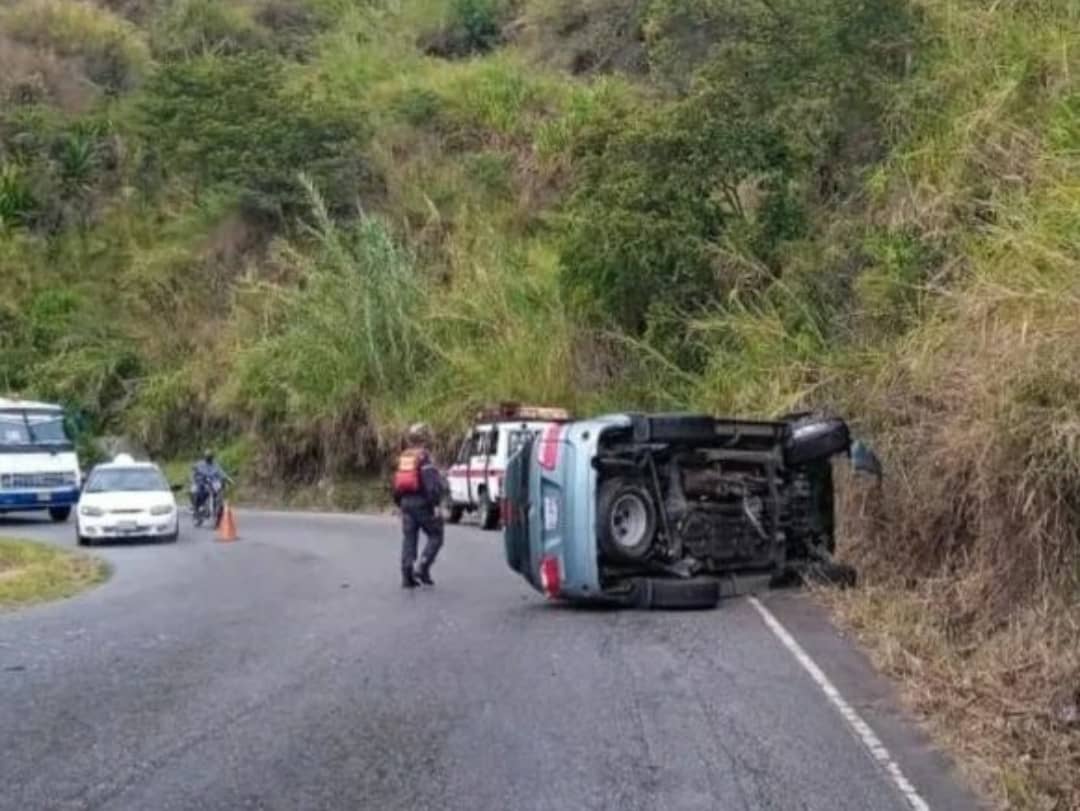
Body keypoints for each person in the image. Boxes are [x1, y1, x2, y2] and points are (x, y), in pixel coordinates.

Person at [392, 423, 444, 589]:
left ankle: (407, 575)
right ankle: (423, 566)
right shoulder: (424, 458)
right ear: (425, 439)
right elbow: (431, 484)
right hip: (422, 503)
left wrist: (400, 503)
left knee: (409, 538)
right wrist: (435, 504)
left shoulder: (405, 457)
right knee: (436, 534)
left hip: (406, 503)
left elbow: (397, 484)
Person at [190, 449, 231, 514]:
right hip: (203, 482)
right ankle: (198, 506)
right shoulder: (200, 464)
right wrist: (196, 477)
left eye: (210, 457)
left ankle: (216, 506)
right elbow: (194, 470)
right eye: (207, 457)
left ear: (212, 457)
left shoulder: (215, 465)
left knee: (218, 491)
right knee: (199, 491)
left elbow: (221, 472)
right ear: (205, 457)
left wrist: (227, 479)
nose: (209, 459)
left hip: (212, 482)